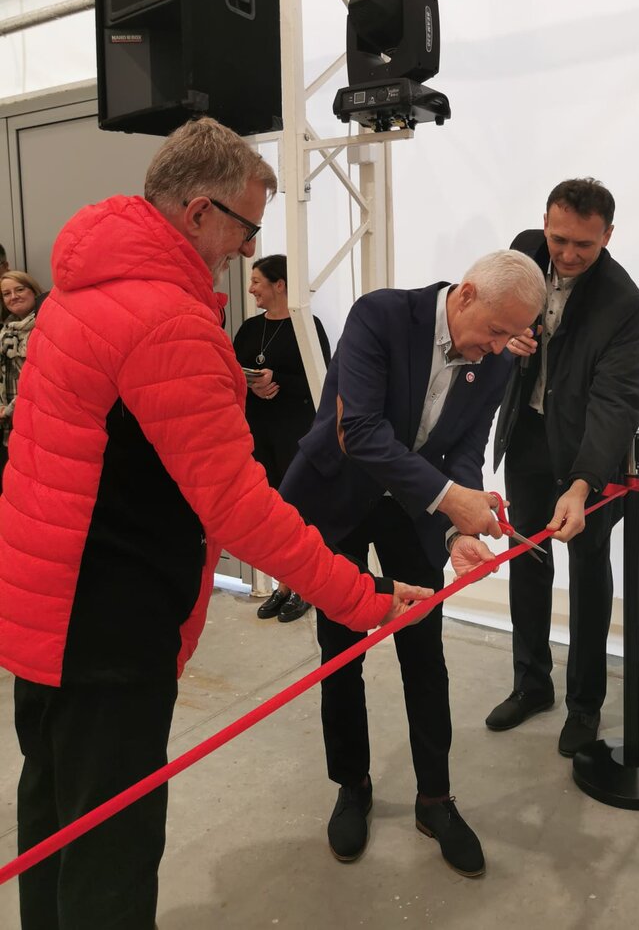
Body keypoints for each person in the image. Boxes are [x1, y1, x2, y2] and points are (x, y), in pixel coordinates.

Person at [0, 116, 431, 930]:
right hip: (109, 626)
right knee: (111, 855)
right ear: (199, 211)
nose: (248, 248)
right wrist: (364, 597)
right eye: (245, 226)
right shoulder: (166, 317)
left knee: (54, 819)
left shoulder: (78, 292)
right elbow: (239, 507)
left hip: (43, 609)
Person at [281, 250, 546, 878]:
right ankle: (352, 784)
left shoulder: (497, 360)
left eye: (511, 336)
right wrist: (452, 500)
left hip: (414, 509)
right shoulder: (379, 316)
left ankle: (435, 798)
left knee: (425, 653)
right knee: (340, 649)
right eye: (496, 330)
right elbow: (361, 432)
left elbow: (466, 449)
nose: (499, 347)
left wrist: (457, 530)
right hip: (340, 497)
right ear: (467, 294)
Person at [485, 178, 639, 757]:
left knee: (588, 573)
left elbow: (617, 400)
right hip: (528, 436)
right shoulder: (523, 250)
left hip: (587, 454)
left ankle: (584, 706)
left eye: (584, 244)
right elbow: (485, 318)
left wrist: (583, 484)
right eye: (559, 240)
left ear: (608, 235)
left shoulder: (622, 301)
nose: (568, 254)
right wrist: (507, 342)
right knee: (527, 559)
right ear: (544, 224)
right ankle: (531, 683)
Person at [233, 254, 331, 624]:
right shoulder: (249, 329)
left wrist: (278, 381)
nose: (251, 289)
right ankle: (284, 584)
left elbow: (322, 380)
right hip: (260, 434)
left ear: (280, 285)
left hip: (297, 433)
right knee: (272, 512)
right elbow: (230, 371)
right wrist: (252, 385)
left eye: (257, 281)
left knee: (300, 513)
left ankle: (306, 587)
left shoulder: (307, 326)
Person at [0, 270, 43, 486]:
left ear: (33, 291)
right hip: (9, 421)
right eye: (6, 294)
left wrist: (7, 410)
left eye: (19, 289)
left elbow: (37, 379)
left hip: (35, 416)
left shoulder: (44, 327)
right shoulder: (5, 331)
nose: (13, 297)